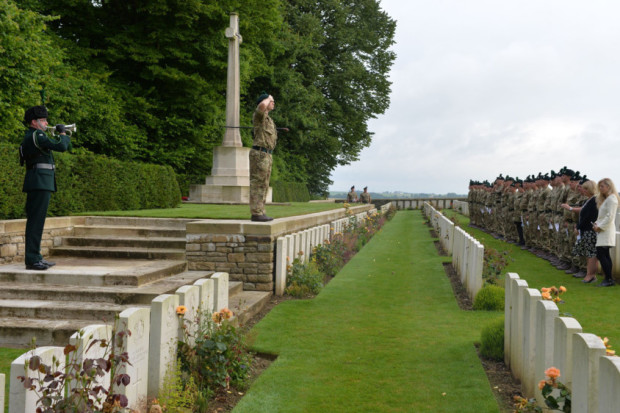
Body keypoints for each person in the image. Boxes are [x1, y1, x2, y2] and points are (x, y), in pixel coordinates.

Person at [21, 105, 71, 270]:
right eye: (43, 120)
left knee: (36, 222)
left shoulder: (32, 135)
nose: (46, 122)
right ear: (34, 122)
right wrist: (63, 133)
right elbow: (62, 146)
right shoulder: (37, 134)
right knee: (36, 222)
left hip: (38, 181)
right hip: (39, 182)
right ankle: (33, 259)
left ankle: (35, 257)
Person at [561, 179, 598, 282]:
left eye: (585, 189)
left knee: (591, 254)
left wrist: (578, 226)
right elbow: (583, 215)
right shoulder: (588, 200)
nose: (582, 190)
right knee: (587, 253)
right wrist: (578, 226)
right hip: (585, 229)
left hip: (589, 230)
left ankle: (590, 275)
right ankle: (589, 274)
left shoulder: (594, 200)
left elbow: (587, 216)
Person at [250, 92, 278, 222]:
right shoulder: (259, 115)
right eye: (271, 101)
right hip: (260, 154)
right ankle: (256, 213)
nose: (273, 103)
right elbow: (261, 106)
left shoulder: (268, 119)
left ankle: (260, 211)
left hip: (266, 154)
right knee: (258, 183)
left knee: (264, 184)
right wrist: (268, 98)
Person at [592, 178, 619, 287]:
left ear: (609, 186)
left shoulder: (612, 199)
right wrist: (596, 223)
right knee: (604, 254)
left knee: (602, 253)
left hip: (606, 230)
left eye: (602, 186)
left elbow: (610, 216)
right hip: (603, 229)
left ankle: (609, 279)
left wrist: (600, 226)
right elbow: (603, 216)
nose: (600, 189)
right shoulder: (608, 198)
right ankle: (608, 278)